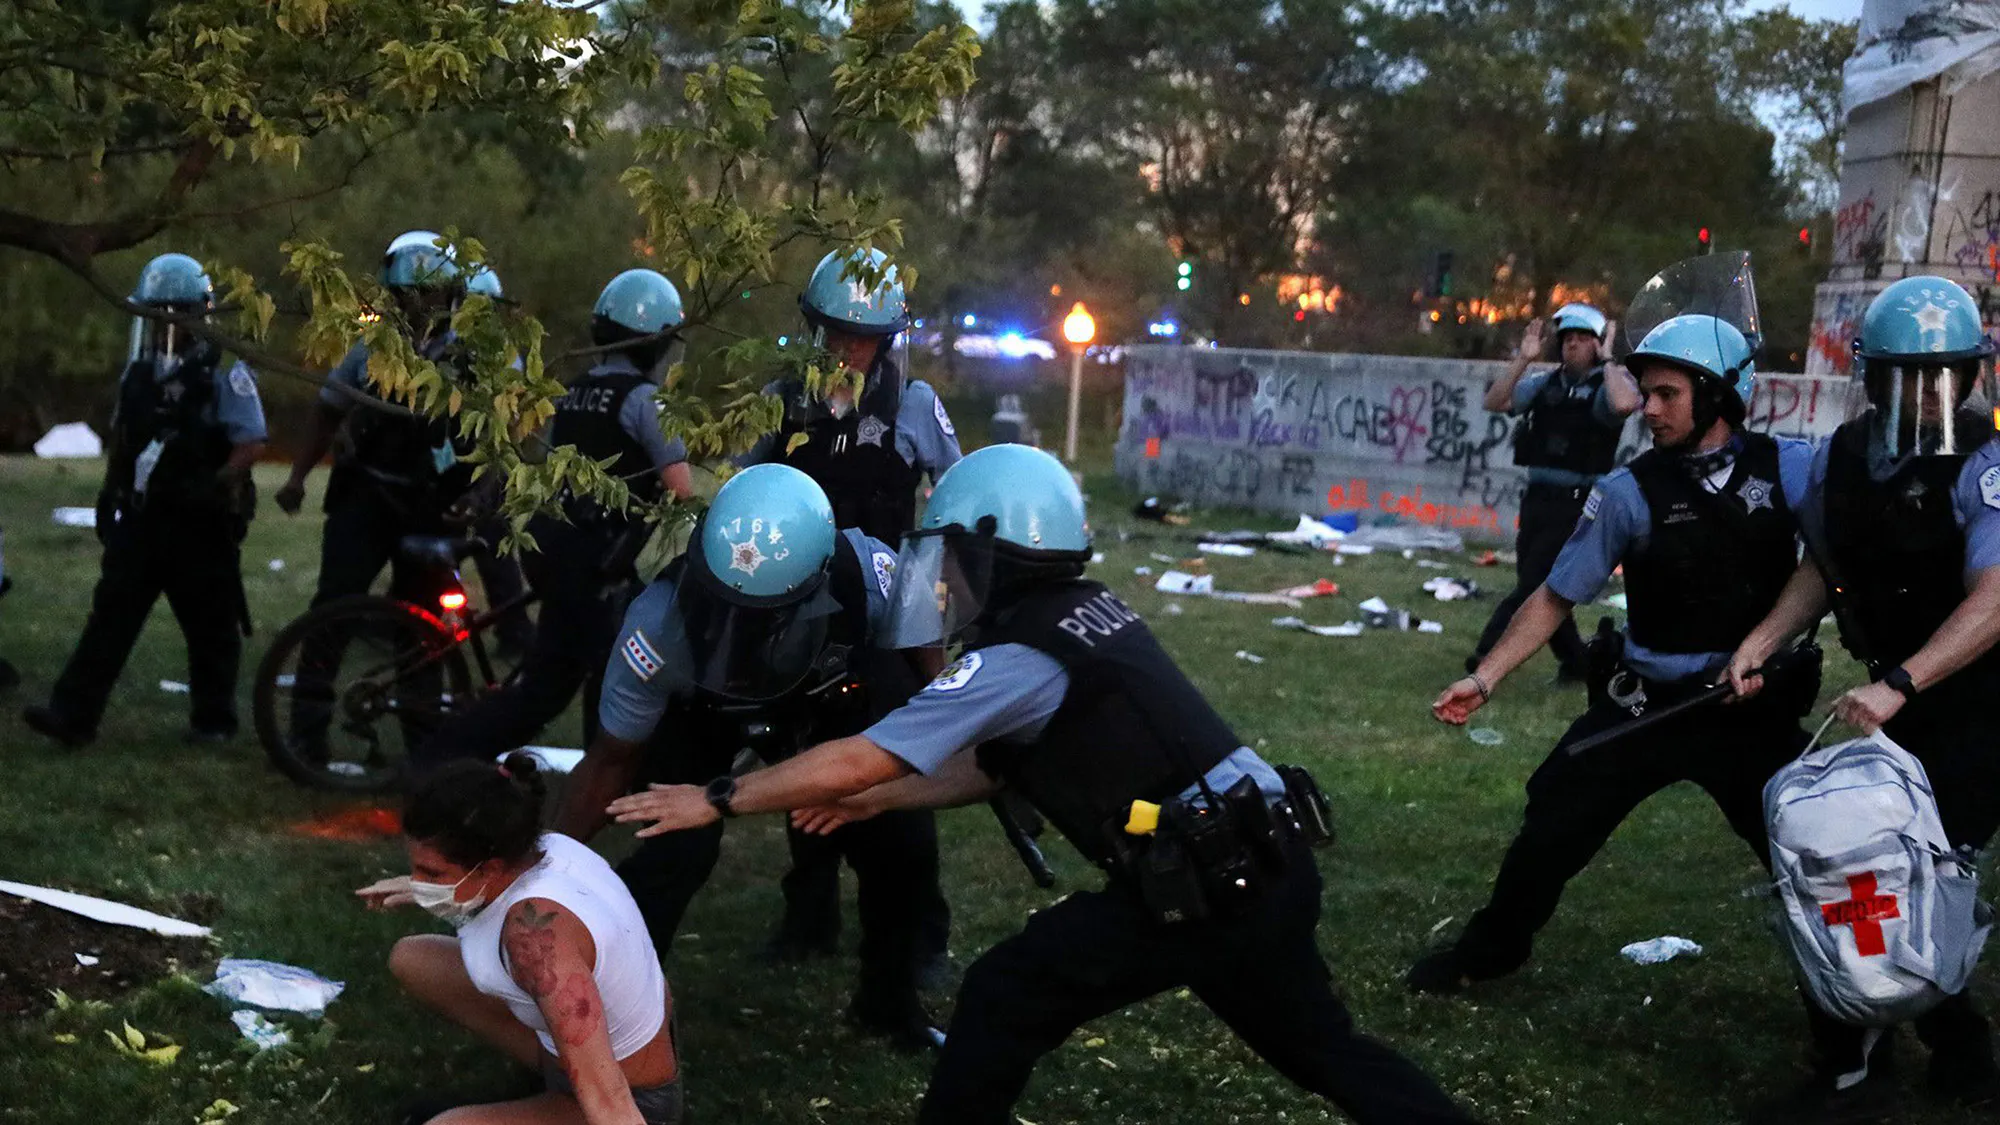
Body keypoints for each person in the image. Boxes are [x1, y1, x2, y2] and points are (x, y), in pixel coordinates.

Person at [599, 443, 1488, 1125]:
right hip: (1266, 862)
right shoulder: (1084, 614)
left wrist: (714, 798)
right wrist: (874, 801)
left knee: (1003, 994)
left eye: (954, 555)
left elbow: (869, 749)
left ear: (997, 551)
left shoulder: (1019, 651)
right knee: (1325, 1050)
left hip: (1209, 882)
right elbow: (988, 769)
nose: (944, 578)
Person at [1413, 314, 1817, 994]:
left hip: (1748, 710)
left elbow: (1835, 561)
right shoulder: (1627, 491)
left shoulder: (1793, 469)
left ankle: (1891, 1019)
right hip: (1648, 705)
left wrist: (1768, 647)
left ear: (1717, 396)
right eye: (1645, 393)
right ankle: (1490, 950)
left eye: (1667, 395)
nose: (1649, 410)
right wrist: (1484, 678)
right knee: (1552, 817)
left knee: (1820, 846)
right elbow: (1553, 596)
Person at [1724, 275, 2000, 1120]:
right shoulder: (1843, 457)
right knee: (1865, 866)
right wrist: (1761, 642)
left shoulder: (1987, 463)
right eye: (1914, 376)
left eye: (1948, 374)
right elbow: (1826, 566)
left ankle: (1934, 1044)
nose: (1932, 394)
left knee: (1923, 869)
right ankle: (1863, 1055)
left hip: (1976, 698)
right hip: (1896, 691)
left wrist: (1900, 683)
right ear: (1874, 374)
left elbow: (1994, 600)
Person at [552, 463, 946, 1049]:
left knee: (900, 837)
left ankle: (888, 1003)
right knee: (671, 846)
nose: (741, 625)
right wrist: (545, 863)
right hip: (705, 710)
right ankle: (610, 1017)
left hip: (831, 691)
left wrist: (934, 730)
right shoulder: (657, 626)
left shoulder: (871, 574)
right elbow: (612, 759)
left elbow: (924, 662)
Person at [739, 247, 959, 975]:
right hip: (802, 612)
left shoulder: (917, 405)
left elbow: (951, 503)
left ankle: (918, 932)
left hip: (889, 611)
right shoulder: (782, 398)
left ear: (888, 339)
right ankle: (808, 914)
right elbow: (746, 493)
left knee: (893, 771)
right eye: (832, 331)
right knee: (804, 758)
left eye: (858, 336)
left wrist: (932, 625)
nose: (843, 348)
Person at [417, 268, 696, 767]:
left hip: (560, 553)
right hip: (602, 567)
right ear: (654, 342)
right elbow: (682, 491)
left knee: (545, 687)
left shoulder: (573, 390)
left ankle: (444, 754)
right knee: (607, 681)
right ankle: (600, 781)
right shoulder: (644, 401)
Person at [23, 253, 265, 747]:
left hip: (200, 524)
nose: (163, 326)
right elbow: (125, 437)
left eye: (171, 314)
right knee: (110, 616)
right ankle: (72, 716)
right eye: (155, 315)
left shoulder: (224, 374)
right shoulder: (140, 372)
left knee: (211, 626)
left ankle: (213, 722)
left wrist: (217, 484)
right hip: (145, 519)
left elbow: (250, 442)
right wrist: (110, 491)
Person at [359, 752, 681, 1125]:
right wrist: (420, 888)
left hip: (633, 1098)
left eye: (432, 873)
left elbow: (607, 1098)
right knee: (413, 958)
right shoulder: (545, 848)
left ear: (491, 867)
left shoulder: (536, 936)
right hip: (610, 1046)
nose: (419, 880)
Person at [272, 231, 480, 757]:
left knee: (426, 627)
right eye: (409, 297)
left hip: (430, 507)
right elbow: (328, 408)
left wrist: (482, 495)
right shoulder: (370, 348)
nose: (419, 307)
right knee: (334, 612)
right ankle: (307, 731)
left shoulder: (470, 357)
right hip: (365, 498)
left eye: (428, 296)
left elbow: (502, 432)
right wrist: (297, 478)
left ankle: (423, 741)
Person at [1470, 304, 1640, 680]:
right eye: (1567, 340)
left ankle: (1486, 655)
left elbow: (1626, 404)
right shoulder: (1546, 384)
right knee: (1541, 581)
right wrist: (1524, 360)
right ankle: (1577, 663)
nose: (1572, 346)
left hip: (1577, 501)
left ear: (1596, 345)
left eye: (1582, 340)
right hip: (1538, 498)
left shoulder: (1604, 386)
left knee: (1533, 582)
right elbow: (1494, 402)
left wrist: (1610, 359)